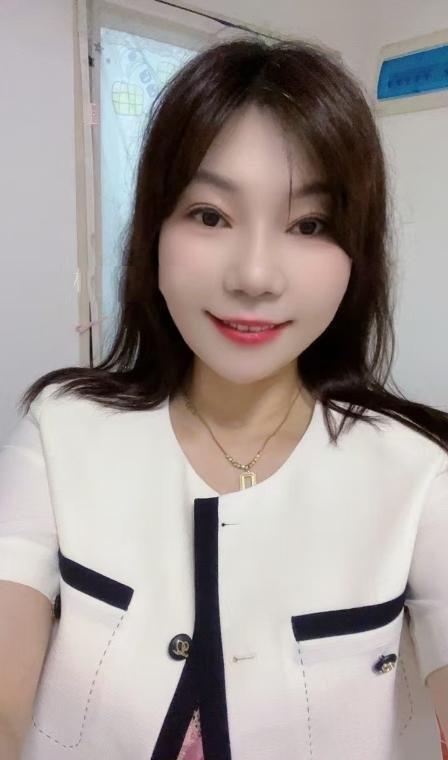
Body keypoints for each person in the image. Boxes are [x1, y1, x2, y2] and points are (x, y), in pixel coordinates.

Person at [0, 35, 447, 760]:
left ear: (356, 257)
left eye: (309, 225)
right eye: (210, 215)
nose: (255, 276)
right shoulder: (61, 432)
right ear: (154, 231)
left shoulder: (420, 473)